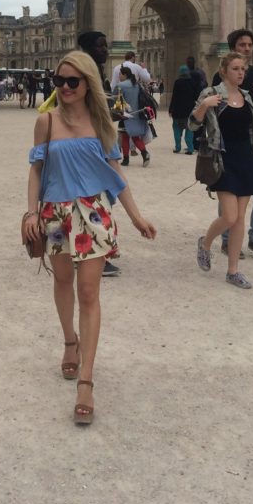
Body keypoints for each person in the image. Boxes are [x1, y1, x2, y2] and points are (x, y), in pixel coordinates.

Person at [22, 51, 157, 426]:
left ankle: (86, 380)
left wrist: (135, 216)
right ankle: (70, 341)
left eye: (72, 82)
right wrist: (31, 211)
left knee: (89, 293)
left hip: (94, 212)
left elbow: (116, 173)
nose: (64, 88)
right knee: (63, 281)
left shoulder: (103, 124)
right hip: (54, 214)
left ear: (87, 85)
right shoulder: (45, 122)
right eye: (59, 81)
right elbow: (35, 170)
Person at [190, 52, 253, 290]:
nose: (241, 72)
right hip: (222, 160)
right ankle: (205, 243)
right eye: (235, 68)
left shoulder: (246, 96)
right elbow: (192, 124)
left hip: (246, 159)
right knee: (230, 216)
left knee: (239, 219)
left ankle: (233, 271)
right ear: (224, 71)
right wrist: (204, 106)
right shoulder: (211, 94)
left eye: (242, 68)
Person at [212, 28, 253, 263]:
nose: (247, 48)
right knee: (231, 191)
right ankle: (228, 239)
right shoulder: (221, 77)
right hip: (234, 145)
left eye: (249, 44)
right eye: (242, 45)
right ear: (232, 47)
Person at [77, 31, 121, 277]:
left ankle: (97, 249)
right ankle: (95, 255)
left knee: (99, 196)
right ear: (87, 48)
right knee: (96, 197)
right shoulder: (86, 72)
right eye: (101, 46)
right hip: (91, 138)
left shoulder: (93, 70)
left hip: (101, 134)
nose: (106, 49)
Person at [113, 66, 151, 167]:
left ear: (125, 75)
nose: (119, 76)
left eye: (120, 74)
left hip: (125, 115)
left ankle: (126, 159)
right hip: (137, 114)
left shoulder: (120, 85)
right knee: (134, 136)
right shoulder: (137, 84)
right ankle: (144, 154)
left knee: (124, 136)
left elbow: (114, 99)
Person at [168, 65, 198, 154]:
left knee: (176, 129)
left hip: (177, 110)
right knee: (189, 129)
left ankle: (177, 147)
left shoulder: (177, 82)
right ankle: (190, 148)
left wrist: (170, 109)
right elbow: (196, 96)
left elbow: (174, 97)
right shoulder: (192, 82)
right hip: (189, 110)